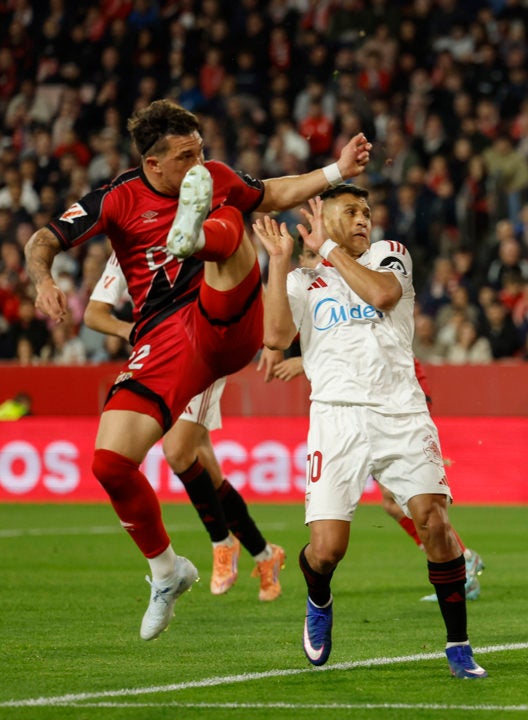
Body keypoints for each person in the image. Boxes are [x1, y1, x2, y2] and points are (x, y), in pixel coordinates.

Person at [23, 98, 372, 640]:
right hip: (162, 339)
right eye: (185, 157)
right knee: (110, 464)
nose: (198, 164)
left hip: (223, 318)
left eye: (201, 151)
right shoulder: (116, 199)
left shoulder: (215, 179)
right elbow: (43, 239)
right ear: (153, 164)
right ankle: (167, 572)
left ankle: (195, 237)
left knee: (230, 214)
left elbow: (274, 193)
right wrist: (43, 279)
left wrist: (336, 172)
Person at [254, 187, 486, 679]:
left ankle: (459, 645)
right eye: (351, 212)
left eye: (367, 212)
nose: (363, 220)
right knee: (327, 550)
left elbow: (382, 296)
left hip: (401, 413)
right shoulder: (302, 280)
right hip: (336, 419)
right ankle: (319, 601)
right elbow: (274, 337)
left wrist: (331, 249)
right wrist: (278, 263)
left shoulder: (389, 256)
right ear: (322, 216)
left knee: (434, 524)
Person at [85, 251, 286, 601]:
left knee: (177, 451)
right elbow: (93, 313)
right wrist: (130, 330)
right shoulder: (126, 251)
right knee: (204, 465)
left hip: (202, 351)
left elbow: (243, 276)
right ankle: (265, 554)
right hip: (157, 361)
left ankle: (222, 543)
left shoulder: (192, 235)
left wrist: (268, 337)